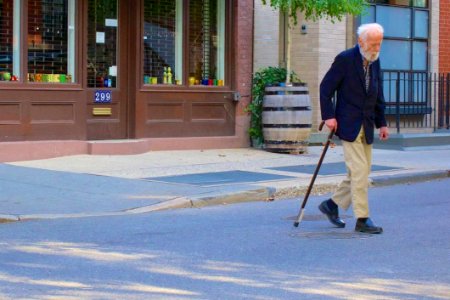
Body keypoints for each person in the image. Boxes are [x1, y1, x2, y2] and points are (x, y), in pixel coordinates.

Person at [318, 23, 389, 234]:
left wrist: (382, 122)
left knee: (361, 172)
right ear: (361, 42)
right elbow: (325, 88)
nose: (377, 48)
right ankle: (362, 219)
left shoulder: (375, 62)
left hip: (366, 124)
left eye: (379, 44)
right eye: (373, 43)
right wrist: (329, 116)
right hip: (348, 124)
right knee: (359, 172)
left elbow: (378, 94)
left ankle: (331, 205)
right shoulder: (345, 59)